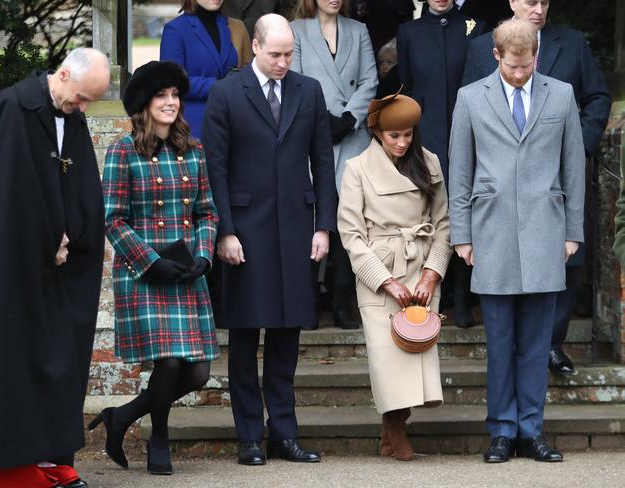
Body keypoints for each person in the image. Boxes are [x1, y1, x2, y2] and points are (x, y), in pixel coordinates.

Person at [202, 14, 337, 465]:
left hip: (297, 227)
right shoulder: (226, 93)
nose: (283, 62)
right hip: (244, 231)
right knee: (244, 337)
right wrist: (225, 231)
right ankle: (247, 437)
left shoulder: (309, 91)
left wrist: (323, 225)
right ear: (255, 46)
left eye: (289, 54)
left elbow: (323, 161)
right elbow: (214, 169)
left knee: (286, 336)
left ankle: (284, 434)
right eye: (275, 54)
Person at [449, 19, 585, 463]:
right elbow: (460, 171)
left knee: (536, 342)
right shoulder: (470, 98)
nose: (520, 74)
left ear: (536, 57)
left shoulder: (561, 94)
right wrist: (462, 235)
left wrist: (572, 232)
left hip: (547, 232)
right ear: (496, 56)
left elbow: (574, 168)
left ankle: (532, 430)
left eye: (527, 66)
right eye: (512, 67)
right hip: (491, 235)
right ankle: (502, 432)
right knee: (501, 343)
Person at [0, 48, 110, 488]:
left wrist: (73, 232)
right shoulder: (13, 109)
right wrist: (44, 241)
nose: (83, 109)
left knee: (63, 352)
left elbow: (82, 185)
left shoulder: (70, 114)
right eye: (82, 98)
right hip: (14, 270)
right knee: (12, 357)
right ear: (64, 73)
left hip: (61, 270)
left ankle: (51, 456)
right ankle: (6, 463)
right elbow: (2, 196)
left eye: (91, 102)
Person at [462, 0, 612, 373]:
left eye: (545, 1)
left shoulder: (573, 42)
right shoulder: (481, 47)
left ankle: (551, 344)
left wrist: (578, 145)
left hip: (555, 175)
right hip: (499, 186)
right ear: (512, 1)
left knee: (564, 260)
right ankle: (516, 348)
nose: (539, 8)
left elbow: (597, 97)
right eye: (531, 1)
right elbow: (468, 114)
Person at [91, 61, 219, 476]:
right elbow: (112, 218)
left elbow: (206, 212)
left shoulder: (193, 149)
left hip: (185, 271)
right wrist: (151, 262)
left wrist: (203, 255)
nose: (169, 102)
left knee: (198, 371)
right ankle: (158, 437)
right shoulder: (123, 151)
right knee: (168, 362)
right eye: (160, 96)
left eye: (174, 95)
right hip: (144, 272)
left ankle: (123, 414)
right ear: (143, 106)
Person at [338, 92, 452, 460]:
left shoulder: (428, 162)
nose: (402, 143)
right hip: (379, 269)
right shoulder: (357, 168)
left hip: (420, 266)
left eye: (408, 135)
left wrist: (432, 274)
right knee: (387, 356)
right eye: (394, 136)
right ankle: (396, 427)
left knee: (417, 349)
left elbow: (443, 224)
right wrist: (384, 280)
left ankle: (392, 432)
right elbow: (351, 234)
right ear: (377, 133)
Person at [291, 0, 378, 330]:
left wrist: (349, 117)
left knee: (349, 222)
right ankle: (308, 298)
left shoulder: (359, 30)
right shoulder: (297, 31)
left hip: (351, 136)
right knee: (312, 217)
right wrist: (322, 119)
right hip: (312, 135)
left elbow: (370, 79)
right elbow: (294, 78)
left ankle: (343, 301)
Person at [397, 0, 484, 328]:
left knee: (463, 213)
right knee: (425, 215)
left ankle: (462, 299)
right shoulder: (409, 31)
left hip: (468, 134)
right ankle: (424, 297)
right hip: (425, 136)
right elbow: (407, 86)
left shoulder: (474, 26)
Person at [160, 0, 252, 140]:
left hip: (232, 121)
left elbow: (248, 73)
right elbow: (173, 82)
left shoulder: (234, 26)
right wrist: (221, 85)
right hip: (193, 125)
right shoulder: (175, 29)